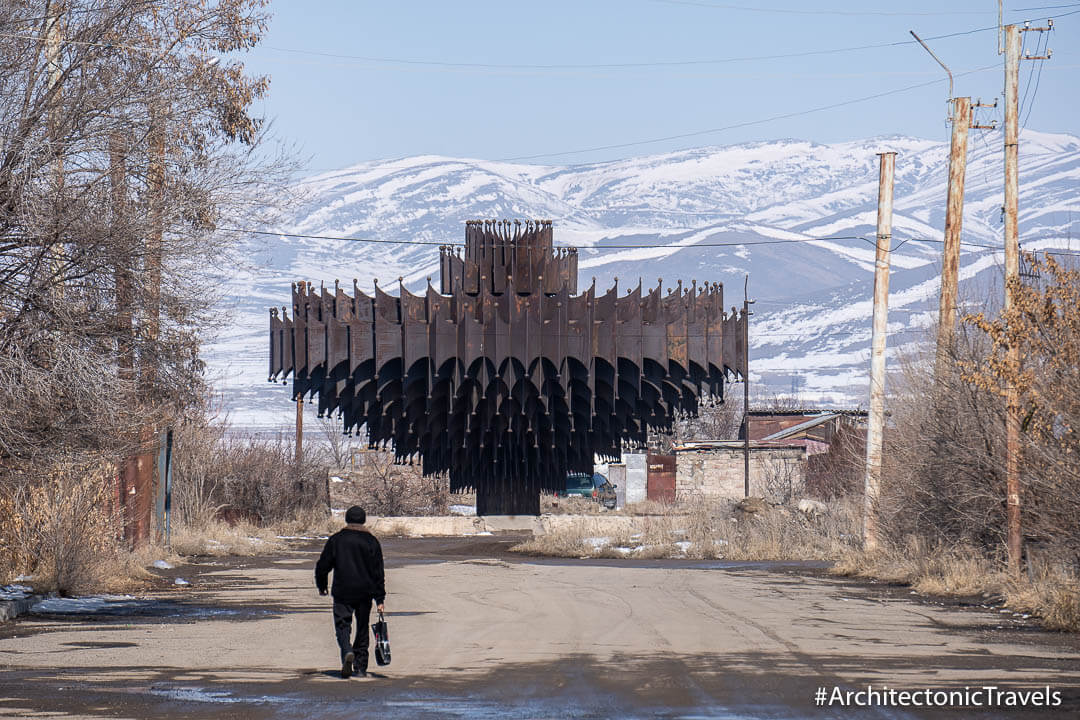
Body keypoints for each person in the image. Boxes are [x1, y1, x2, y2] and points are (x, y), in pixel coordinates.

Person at [315, 505, 386, 678]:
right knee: (362, 628)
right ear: (363, 520)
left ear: (347, 519)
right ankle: (360, 668)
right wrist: (380, 598)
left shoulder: (337, 540)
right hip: (365, 593)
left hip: (343, 591)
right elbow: (378, 572)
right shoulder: (371, 541)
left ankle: (347, 651)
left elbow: (323, 565)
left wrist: (322, 585)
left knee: (342, 625)